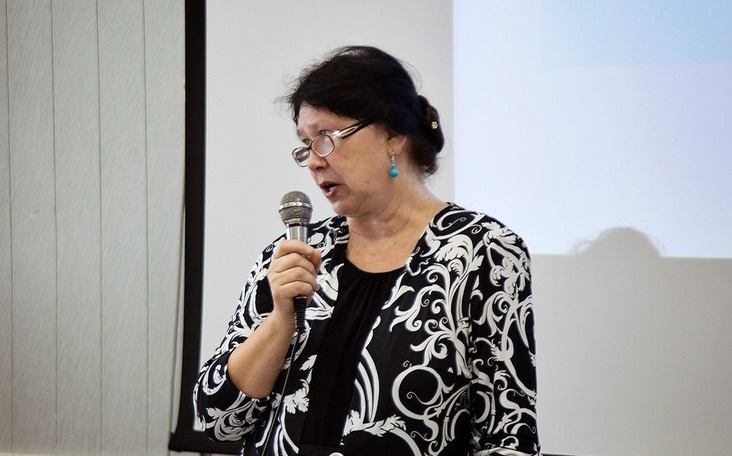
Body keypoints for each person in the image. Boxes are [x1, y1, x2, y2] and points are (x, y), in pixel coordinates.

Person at [194, 45, 540, 456]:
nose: (313, 162)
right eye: (305, 144)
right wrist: (280, 321)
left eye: (326, 138)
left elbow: (508, 436)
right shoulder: (295, 255)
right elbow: (218, 420)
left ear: (393, 136)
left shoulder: (482, 250)